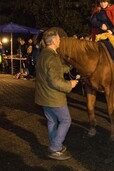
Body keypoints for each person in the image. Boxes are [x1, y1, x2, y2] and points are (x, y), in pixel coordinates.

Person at [35, 28, 78, 160]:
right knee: (66, 120)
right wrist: (69, 84)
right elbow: (54, 80)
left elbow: (54, 69)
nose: (60, 41)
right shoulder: (52, 57)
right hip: (53, 97)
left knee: (52, 121)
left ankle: (55, 144)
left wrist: (69, 67)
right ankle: (55, 148)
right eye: (59, 39)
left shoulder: (43, 54)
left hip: (43, 97)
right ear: (53, 41)